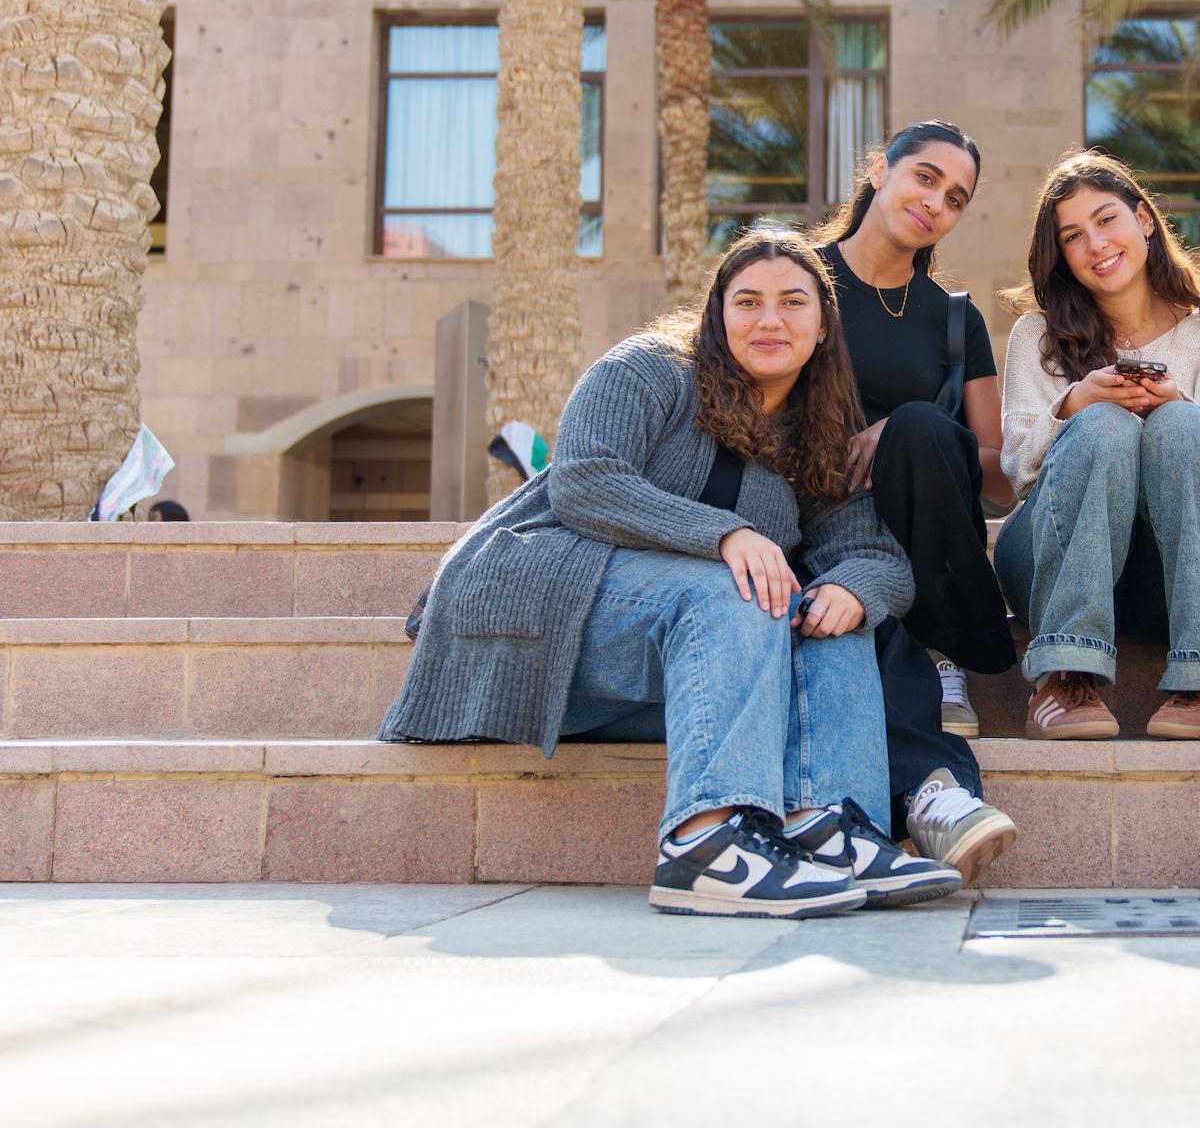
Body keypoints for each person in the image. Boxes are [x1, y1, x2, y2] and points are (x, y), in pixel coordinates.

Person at [382, 228, 960, 919]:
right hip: (540, 605)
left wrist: (853, 589)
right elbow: (583, 482)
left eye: (791, 302)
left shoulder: (816, 432)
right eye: (746, 301)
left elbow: (878, 557)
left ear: (824, 322)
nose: (769, 319)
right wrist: (727, 533)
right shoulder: (652, 367)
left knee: (822, 606)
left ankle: (829, 824)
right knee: (739, 588)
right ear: (717, 313)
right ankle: (705, 844)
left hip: (676, 663)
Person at [813, 118, 1020, 881]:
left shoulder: (955, 318)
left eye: (956, 196)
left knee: (927, 428)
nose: (936, 201)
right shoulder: (799, 282)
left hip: (928, 523)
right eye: (925, 177)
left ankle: (945, 654)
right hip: (822, 522)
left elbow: (995, 476)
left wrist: (903, 425)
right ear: (881, 168)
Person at [996, 151, 1200, 741]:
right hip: (1050, 559)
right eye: (1073, 236)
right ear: (1060, 254)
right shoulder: (1036, 334)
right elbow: (1018, 465)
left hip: (1170, 572)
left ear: (1144, 219)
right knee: (1104, 425)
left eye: (1106, 219)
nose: (1095, 244)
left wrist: (1175, 407)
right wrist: (1075, 405)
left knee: (1185, 427)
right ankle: (1066, 673)